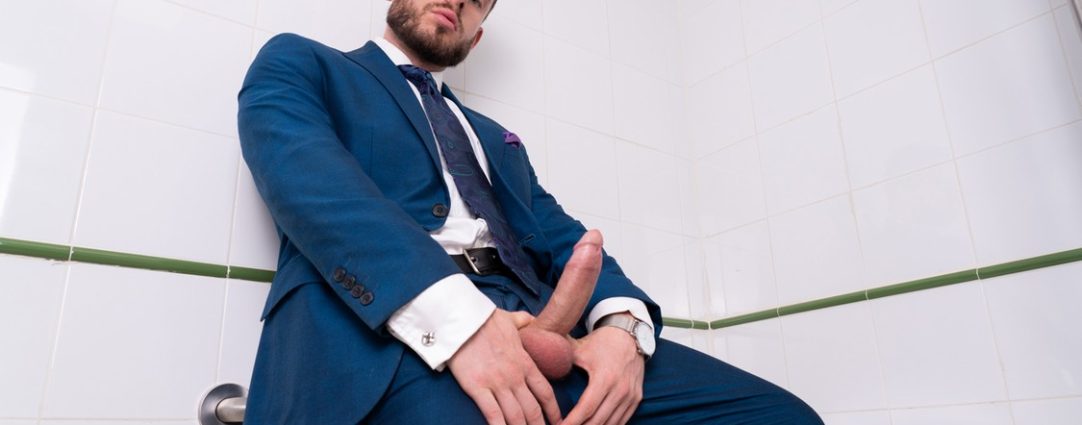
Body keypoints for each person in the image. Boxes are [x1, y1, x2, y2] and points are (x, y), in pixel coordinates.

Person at [237, 0, 824, 423]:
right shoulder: (301, 61)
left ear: (475, 38)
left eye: (479, 1)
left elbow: (563, 235)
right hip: (384, 341)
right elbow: (309, 182)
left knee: (783, 416)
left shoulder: (494, 138)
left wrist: (622, 330)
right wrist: (463, 323)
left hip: (548, 334)